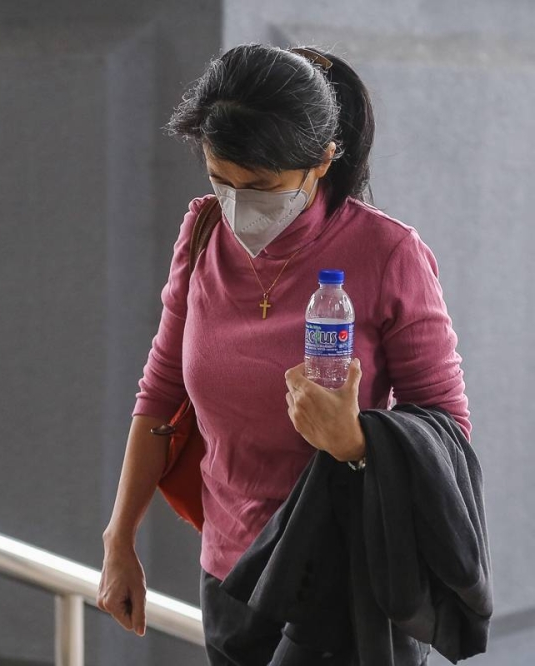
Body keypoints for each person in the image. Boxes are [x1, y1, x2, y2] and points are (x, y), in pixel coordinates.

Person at [96, 43, 471, 665]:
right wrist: (119, 539)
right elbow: (161, 393)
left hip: (348, 583)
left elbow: (449, 431)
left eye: (263, 186)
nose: (240, 204)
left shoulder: (388, 254)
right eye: (222, 180)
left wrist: (354, 441)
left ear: (322, 160)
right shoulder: (201, 234)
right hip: (230, 576)